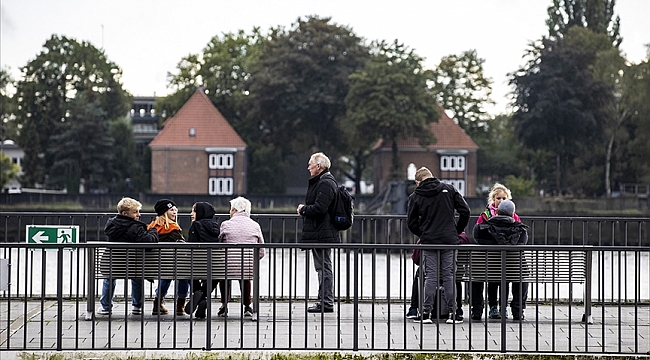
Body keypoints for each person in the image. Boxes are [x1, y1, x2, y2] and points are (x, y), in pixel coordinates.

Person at [406, 167, 470, 324]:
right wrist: (456, 230)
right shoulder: (449, 189)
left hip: (429, 241)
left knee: (430, 277)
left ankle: (426, 313)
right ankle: (453, 313)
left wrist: (423, 233)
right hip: (449, 240)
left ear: (418, 182)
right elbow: (465, 211)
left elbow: (411, 222)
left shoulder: (415, 196)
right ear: (432, 176)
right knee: (449, 276)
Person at [470, 183, 522, 320]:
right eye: (498, 198)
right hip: (494, 260)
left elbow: (477, 237)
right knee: (497, 280)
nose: (501, 201)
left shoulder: (487, 218)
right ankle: (494, 306)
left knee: (500, 279)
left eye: (504, 198)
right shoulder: (487, 216)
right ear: (493, 199)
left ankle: (501, 307)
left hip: (500, 261)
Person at [99, 197, 159, 315]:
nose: (139, 215)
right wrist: (153, 231)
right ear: (125, 213)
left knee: (109, 278)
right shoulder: (135, 227)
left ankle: (106, 307)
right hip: (132, 265)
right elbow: (148, 244)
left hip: (113, 265)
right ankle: (137, 306)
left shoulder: (111, 225)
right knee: (137, 276)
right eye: (135, 212)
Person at [297, 152, 340, 313]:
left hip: (322, 232)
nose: (308, 167)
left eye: (310, 164)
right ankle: (324, 301)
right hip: (321, 232)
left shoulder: (325, 183)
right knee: (323, 266)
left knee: (323, 267)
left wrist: (303, 209)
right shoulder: (324, 181)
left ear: (319, 166)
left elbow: (320, 208)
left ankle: (326, 302)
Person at [217, 196, 265, 318]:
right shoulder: (255, 225)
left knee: (224, 277)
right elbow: (261, 251)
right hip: (247, 265)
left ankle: (224, 305)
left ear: (234, 210)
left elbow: (219, 245)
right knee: (245, 275)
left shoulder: (225, 224)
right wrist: (252, 260)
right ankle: (247, 306)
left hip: (228, 265)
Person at [147, 199, 189, 316]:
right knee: (184, 274)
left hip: (156, 265)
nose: (175, 212)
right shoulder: (173, 228)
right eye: (171, 210)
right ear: (164, 213)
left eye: (175, 210)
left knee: (166, 274)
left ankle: (157, 302)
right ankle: (180, 304)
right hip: (174, 264)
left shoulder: (151, 228)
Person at [184, 202, 221, 319]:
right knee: (216, 275)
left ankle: (199, 294)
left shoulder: (196, 226)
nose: (191, 214)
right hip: (214, 266)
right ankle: (203, 297)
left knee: (186, 272)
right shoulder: (216, 226)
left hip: (196, 265)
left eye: (194, 211)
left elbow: (191, 246)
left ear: (200, 213)